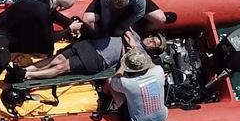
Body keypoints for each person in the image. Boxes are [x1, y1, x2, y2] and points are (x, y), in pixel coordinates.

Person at [0, 0, 76, 87]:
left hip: (17, 28)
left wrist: (69, 23)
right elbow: (49, 39)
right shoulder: (42, 14)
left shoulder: (44, 0)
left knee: (42, 48)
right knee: (3, 61)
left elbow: (53, 15)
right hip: (2, 29)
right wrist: (69, 30)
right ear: (61, 7)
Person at [18, 29, 166, 82]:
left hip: (98, 59)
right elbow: (124, 27)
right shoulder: (136, 35)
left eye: (154, 43)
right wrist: (130, 39)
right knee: (56, 59)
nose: (151, 40)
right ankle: (28, 69)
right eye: (153, 38)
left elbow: (127, 62)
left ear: (153, 49)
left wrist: (128, 48)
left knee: (61, 67)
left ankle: (28, 76)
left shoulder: (141, 56)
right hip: (90, 44)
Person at [105, 47, 168, 121]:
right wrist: (137, 53)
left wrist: (123, 64)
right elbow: (150, 63)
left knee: (110, 82)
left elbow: (114, 80)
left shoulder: (126, 83)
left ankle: (104, 99)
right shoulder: (159, 71)